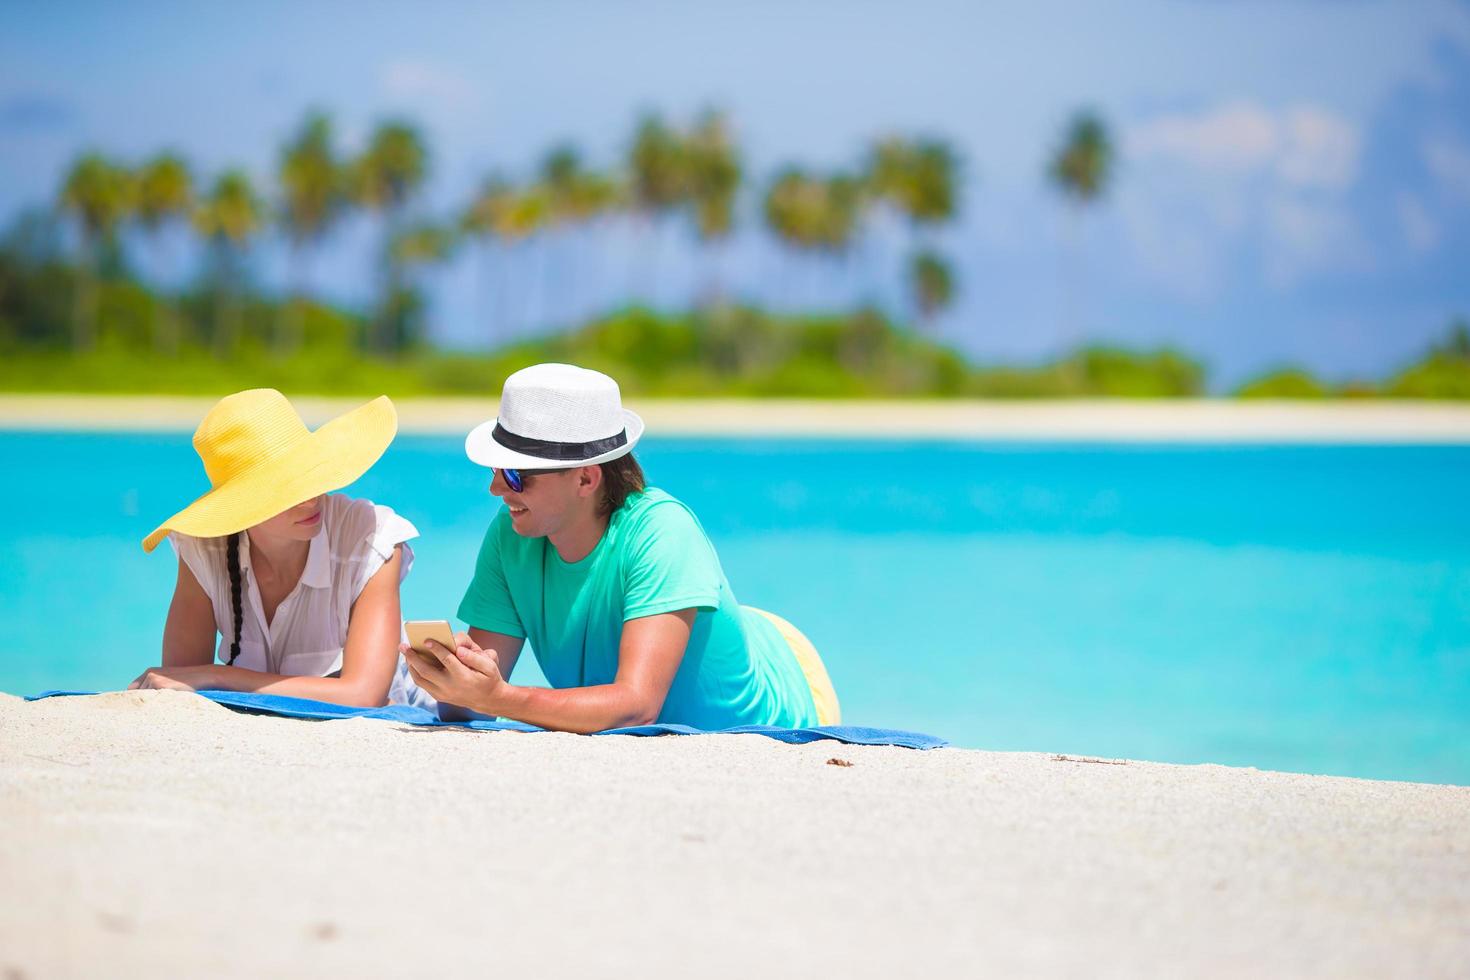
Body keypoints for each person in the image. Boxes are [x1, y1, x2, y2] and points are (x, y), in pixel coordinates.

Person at [401, 362, 841, 732]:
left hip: (794, 689)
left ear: (586, 479)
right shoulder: (513, 533)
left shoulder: (664, 531)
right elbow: (477, 707)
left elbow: (636, 705)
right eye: (497, 469)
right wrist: (456, 684)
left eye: (516, 475)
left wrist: (501, 695)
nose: (496, 488)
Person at [131, 388, 424, 707]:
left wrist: (219, 676)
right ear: (240, 506)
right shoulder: (204, 550)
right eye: (286, 488)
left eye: (310, 474)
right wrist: (207, 676)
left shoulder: (371, 538)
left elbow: (363, 695)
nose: (311, 496)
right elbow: (178, 682)